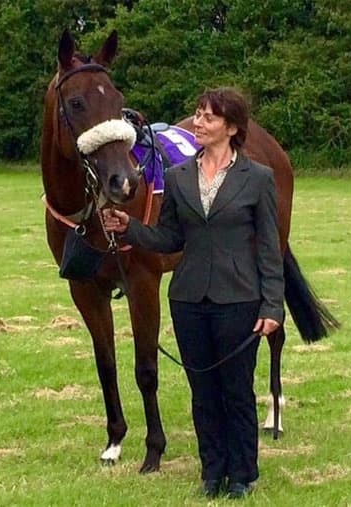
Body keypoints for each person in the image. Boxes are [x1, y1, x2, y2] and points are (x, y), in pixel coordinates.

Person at [102, 87, 284, 499]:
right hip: (188, 300)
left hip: (239, 300)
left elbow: (271, 249)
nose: (197, 123)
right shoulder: (177, 176)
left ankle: (241, 475)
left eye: (207, 117)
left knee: (236, 390)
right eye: (197, 115)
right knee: (202, 393)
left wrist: (273, 305)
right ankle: (211, 471)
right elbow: (168, 237)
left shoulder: (257, 178)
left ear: (231, 127)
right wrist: (126, 227)